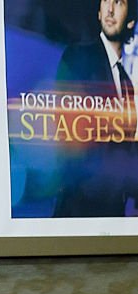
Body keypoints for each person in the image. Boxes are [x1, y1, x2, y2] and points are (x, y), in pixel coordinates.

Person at [54, 0, 136, 216]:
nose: (110, 9)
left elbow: (127, 149)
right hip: (78, 209)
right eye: (105, 1)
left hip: (113, 213)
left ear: (131, 21)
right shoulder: (77, 56)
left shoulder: (127, 83)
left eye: (118, 2)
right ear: (99, 12)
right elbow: (66, 135)